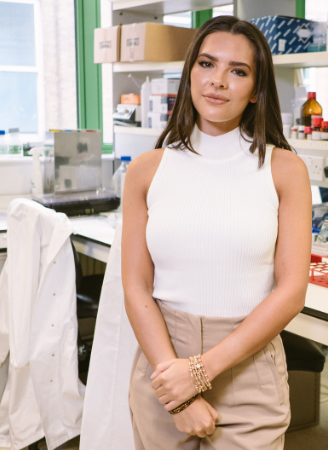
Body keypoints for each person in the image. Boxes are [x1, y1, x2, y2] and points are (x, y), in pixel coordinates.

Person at [121, 16, 312, 449]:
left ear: (257, 89)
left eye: (238, 71)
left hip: (247, 365)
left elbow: (291, 291)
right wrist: (178, 390)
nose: (218, 81)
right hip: (162, 361)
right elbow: (136, 286)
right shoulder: (147, 171)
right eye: (207, 64)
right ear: (190, 73)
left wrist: (201, 372)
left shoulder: (285, 170)